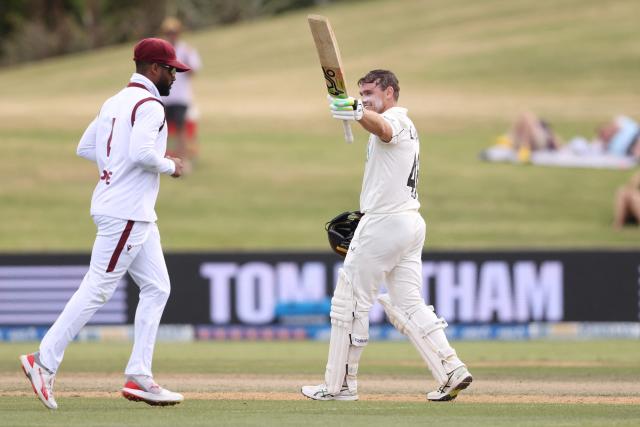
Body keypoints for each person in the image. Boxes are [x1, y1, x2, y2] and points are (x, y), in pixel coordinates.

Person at [19, 38, 189, 410]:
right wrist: (170, 165)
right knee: (97, 289)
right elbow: (143, 154)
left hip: (130, 211)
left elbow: (85, 146)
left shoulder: (114, 102)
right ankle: (42, 361)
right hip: (126, 212)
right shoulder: (151, 106)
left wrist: (113, 169)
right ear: (154, 69)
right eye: (172, 69)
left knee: (158, 287)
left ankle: (139, 375)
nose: (175, 76)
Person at [301, 70, 472, 402]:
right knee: (407, 304)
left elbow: (384, 128)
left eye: (370, 93)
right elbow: (377, 131)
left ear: (390, 93)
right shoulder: (388, 123)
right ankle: (451, 369)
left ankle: (339, 386)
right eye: (360, 94)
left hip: (386, 224)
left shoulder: (396, 120)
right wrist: (361, 111)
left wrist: (358, 112)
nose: (364, 98)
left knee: (349, 301)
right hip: (407, 223)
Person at [160, 17, 202, 170]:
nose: (172, 35)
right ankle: (161, 160)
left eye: (174, 32)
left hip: (180, 97)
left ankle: (183, 161)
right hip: (163, 97)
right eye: (168, 32)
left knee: (181, 130)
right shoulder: (161, 50)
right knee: (159, 130)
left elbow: (194, 70)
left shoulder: (186, 50)